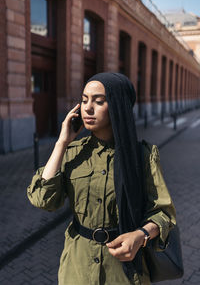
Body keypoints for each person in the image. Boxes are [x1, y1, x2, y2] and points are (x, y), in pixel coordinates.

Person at [27, 72, 176, 285]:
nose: (88, 108)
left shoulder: (142, 156)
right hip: (77, 267)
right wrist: (61, 143)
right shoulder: (73, 152)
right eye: (84, 100)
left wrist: (140, 236)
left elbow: (163, 213)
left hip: (123, 270)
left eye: (99, 101)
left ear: (117, 106)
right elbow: (43, 200)